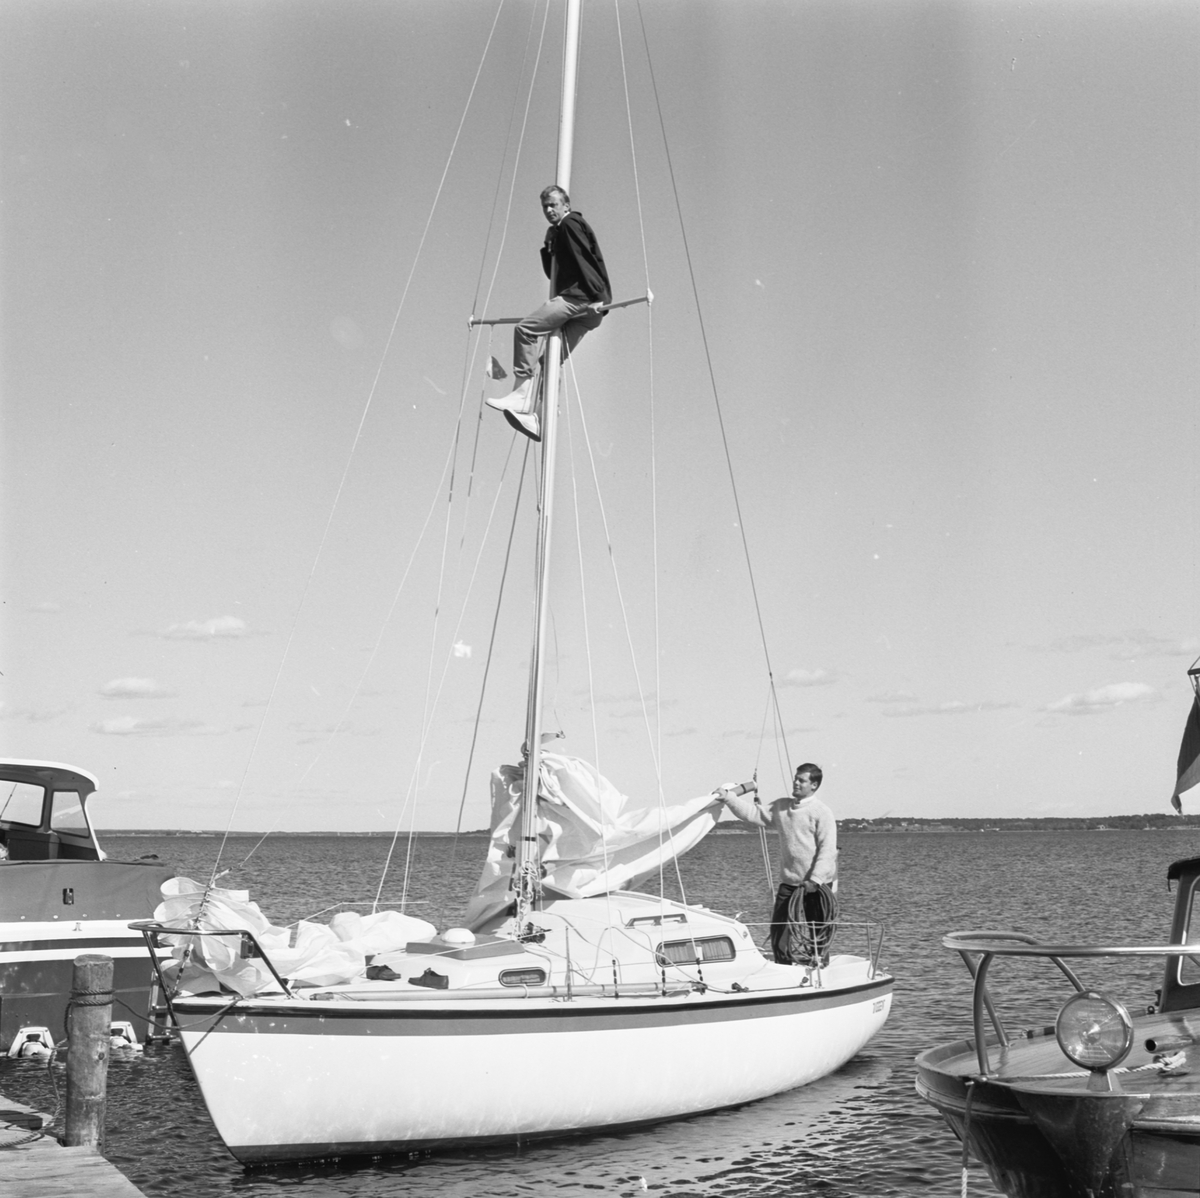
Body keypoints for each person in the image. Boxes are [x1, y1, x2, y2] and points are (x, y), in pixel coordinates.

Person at [487, 185, 612, 441]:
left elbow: (585, 259)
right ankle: (540, 419)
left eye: (553, 204)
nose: (549, 210)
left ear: (566, 205)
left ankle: (522, 395)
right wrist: (548, 245)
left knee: (525, 329)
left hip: (579, 298)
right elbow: (551, 273)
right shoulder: (560, 231)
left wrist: (600, 297)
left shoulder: (570, 223)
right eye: (545, 206)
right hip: (589, 310)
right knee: (550, 361)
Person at [716, 764, 837, 966]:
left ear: (814, 785)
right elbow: (753, 814)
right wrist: (729, 797)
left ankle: (819, 965)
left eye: (802, 780)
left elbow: (828, 850)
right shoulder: (782, 807)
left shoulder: (822, 812)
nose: (796, 783)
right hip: (790, 882)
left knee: (818, 929)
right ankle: (783, 966)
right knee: (779, 929)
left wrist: (815, 880)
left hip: (816, 884)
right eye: (796, 778)